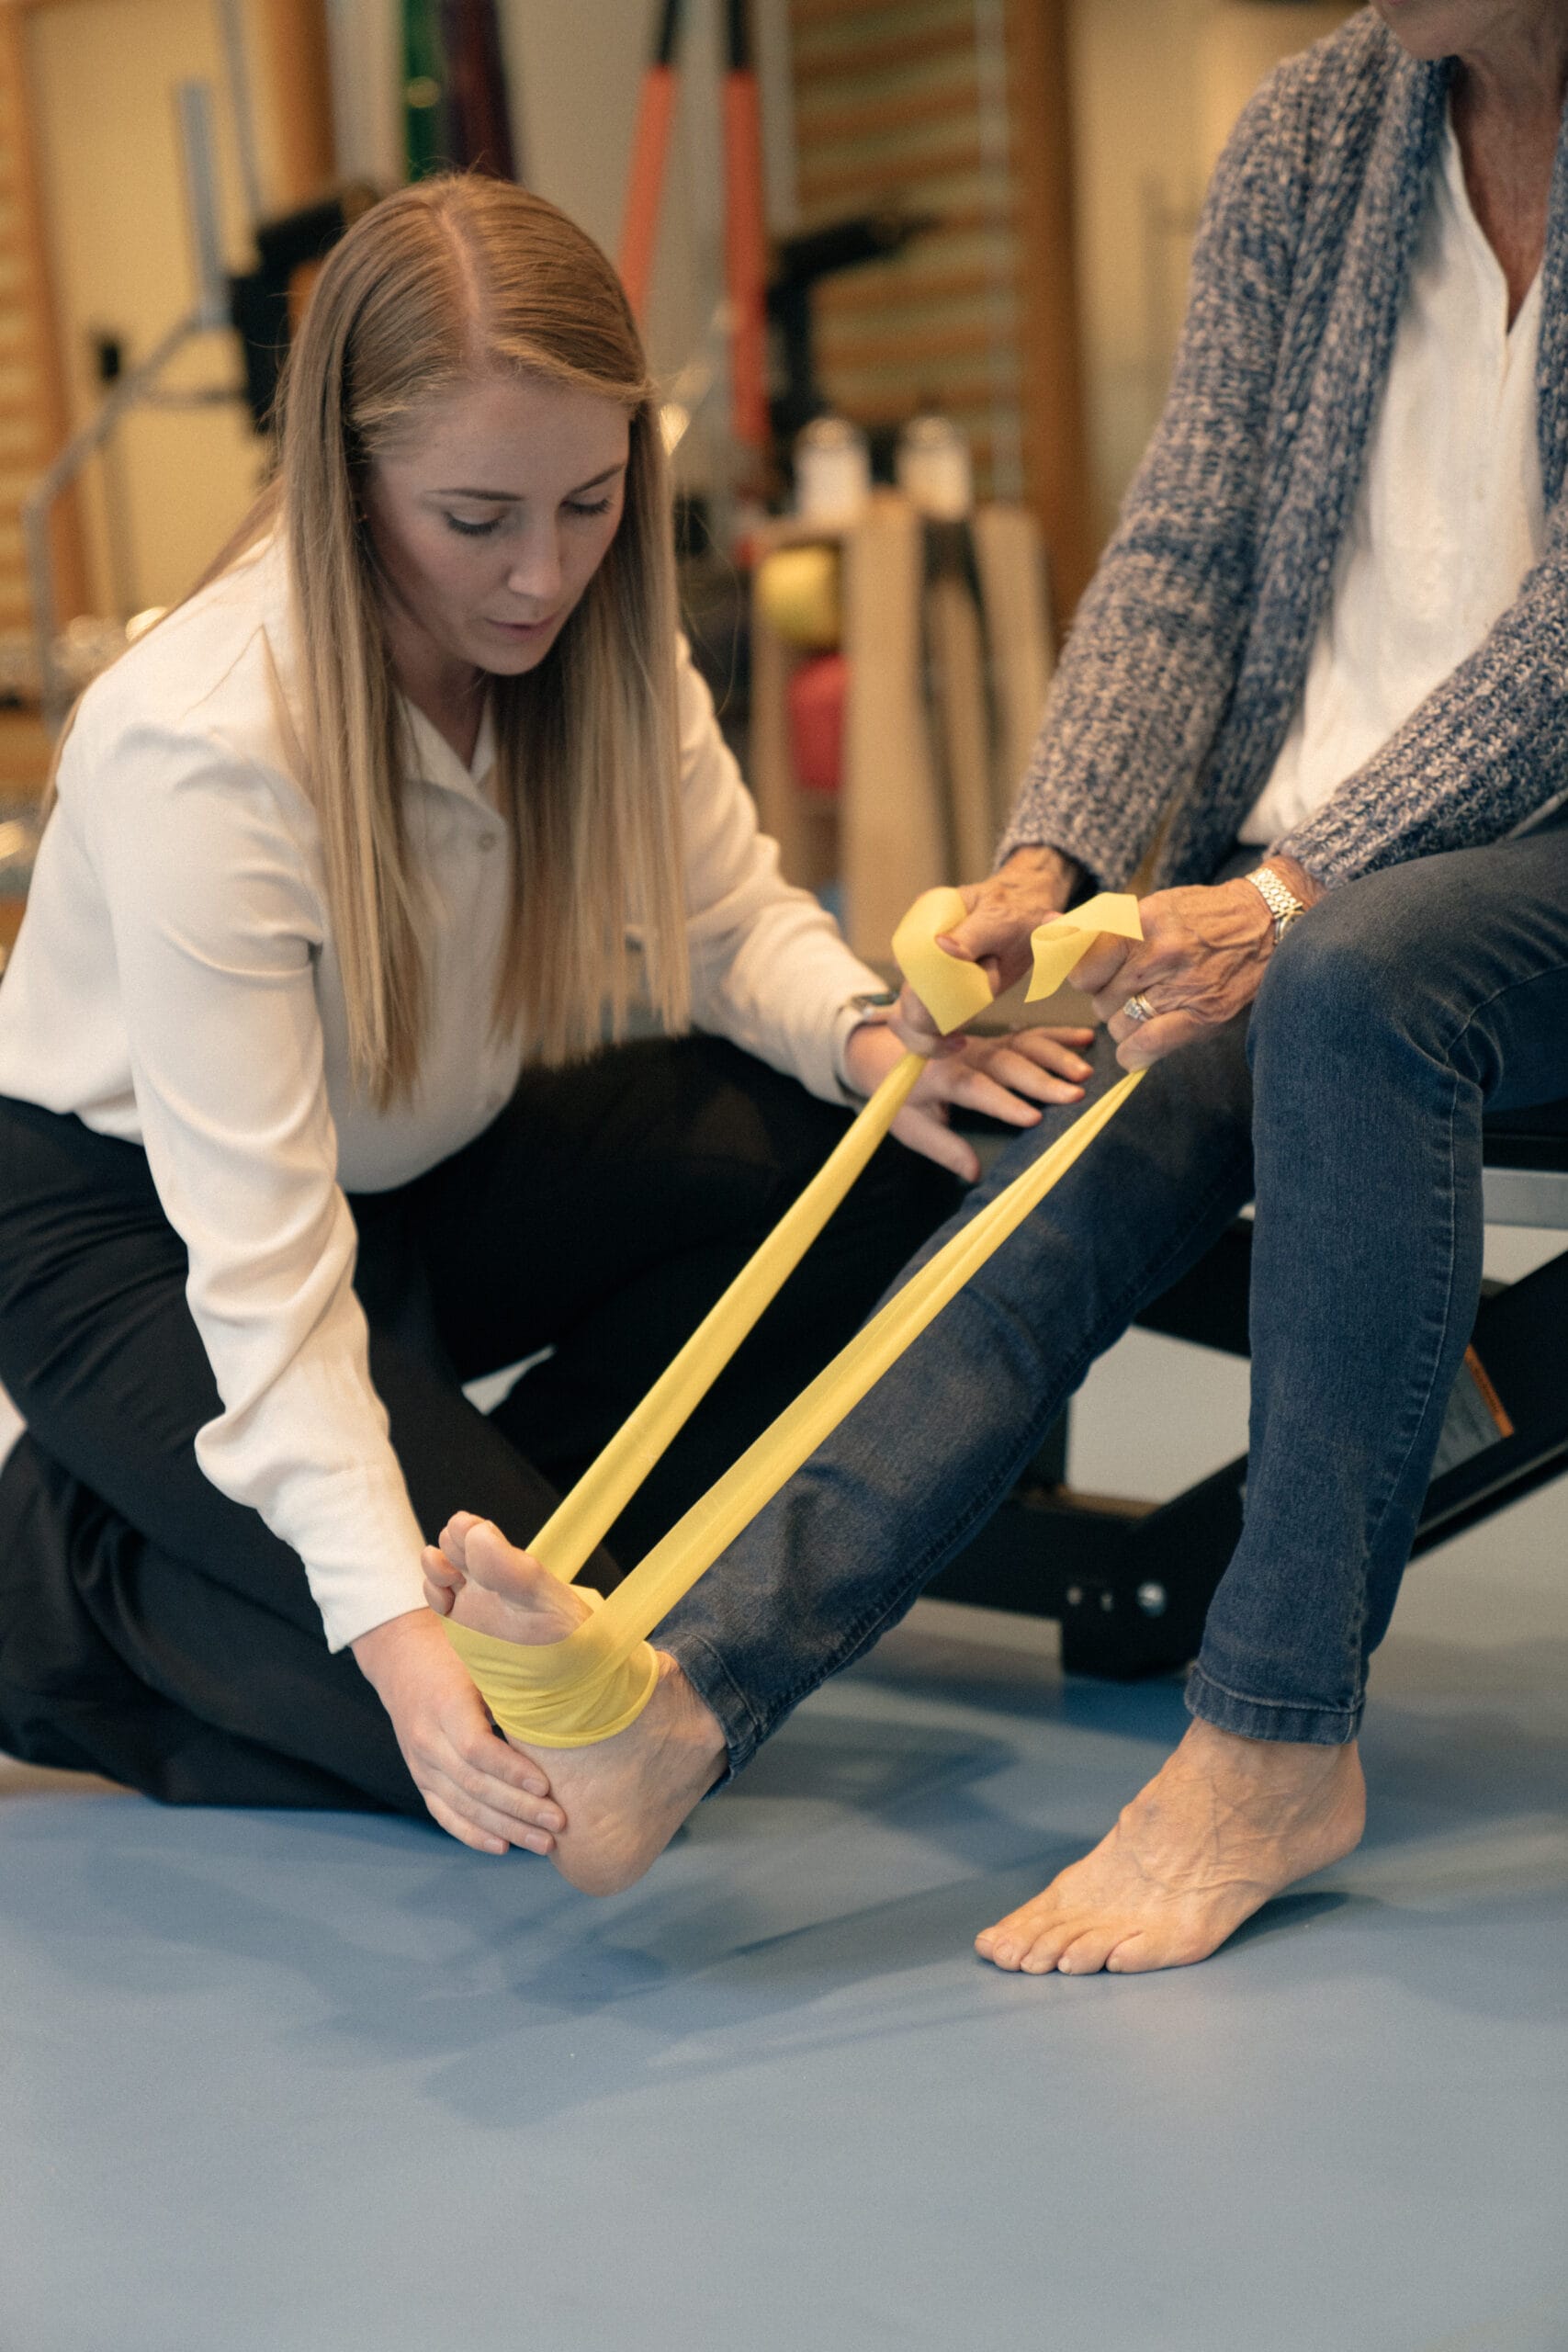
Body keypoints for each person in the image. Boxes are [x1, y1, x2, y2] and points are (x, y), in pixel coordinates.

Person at [418, 0, 1568, 1949]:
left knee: (1351, 978)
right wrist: (1055, 863)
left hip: (1445, 894)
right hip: (1304, 898)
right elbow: (1185, 552)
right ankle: (690, 1701)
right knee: (1082, 1096)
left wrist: (1290, 889)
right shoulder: (1313, 134)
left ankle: (1275, 1736)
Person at [0, 177, 1097, 1855]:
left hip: (423, 1184)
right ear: (347, 483)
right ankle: (61, 1587)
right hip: (137, 1240)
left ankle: (483, 1548)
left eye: (588, 503)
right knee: (547, 1761)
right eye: (477, 517)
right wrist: (402, 1652)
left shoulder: (598, 627)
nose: (541, 576)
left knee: (879, 1148)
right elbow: (271, 1265)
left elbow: (730, 923)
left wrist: (886, 1044)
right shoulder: (202, 740)